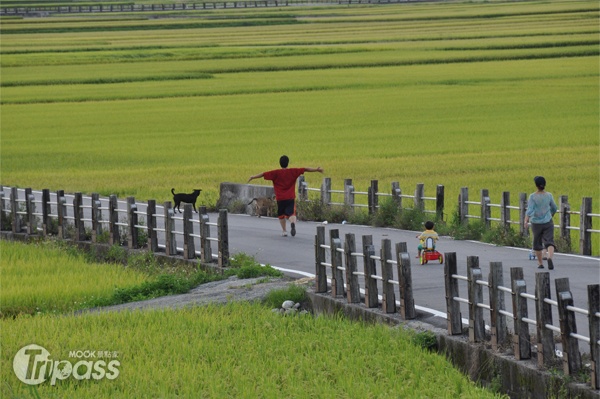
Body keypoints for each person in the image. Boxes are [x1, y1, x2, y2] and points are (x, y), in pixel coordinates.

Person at [248, 155, 323, 237]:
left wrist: (253, 177)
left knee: (281, 215)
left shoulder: (275, 173)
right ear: (288, 163)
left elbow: (263, 174)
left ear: (280, 163)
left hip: (280, 198)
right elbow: (305, 169)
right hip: (290, 197)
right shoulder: (293, 171)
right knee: (291, 214)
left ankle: (284, 231)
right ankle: (292, 223)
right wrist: (316, 169)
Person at [524, 176, 557, 269]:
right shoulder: (549, 195)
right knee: (549, 242)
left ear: (536, 185)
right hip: (548, 221)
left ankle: (540, 263)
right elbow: (554, 207)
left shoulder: (533, 196)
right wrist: (551, 215)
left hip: (536, 223)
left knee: (537, 243)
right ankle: (549, 257)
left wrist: (526, 219)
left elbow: (530, 209)